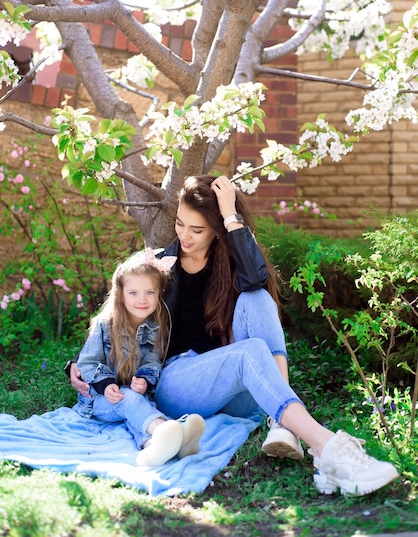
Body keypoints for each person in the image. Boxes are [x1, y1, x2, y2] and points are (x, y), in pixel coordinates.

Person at [70, 175, 399, 496]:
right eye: (181, 224)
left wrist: (231, 215)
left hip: (234, 388)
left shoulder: (229, 263)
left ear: (215, 229)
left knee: (256, 297)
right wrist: (79, 363)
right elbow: (114, 315)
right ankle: (327, 447)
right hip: (176, 382)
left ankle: (282, 422)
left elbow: (256, 278)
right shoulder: (159, 265)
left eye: (197, 229)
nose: (185, 235)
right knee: (249, 351)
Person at [73, 248, 205, 467]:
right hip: (98, 400)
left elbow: (153, 360)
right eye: (133, 293)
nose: (142, 300)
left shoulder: (155, 327)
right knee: (130, 402)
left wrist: (144, 379)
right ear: (121, 294)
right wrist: (105, 385)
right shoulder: (104, 325)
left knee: (139, 407)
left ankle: (153, 447)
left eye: (149, 292)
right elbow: (87, 362)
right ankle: (173, 431)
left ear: (159, 293)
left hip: (132, 395)